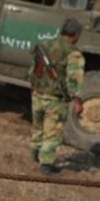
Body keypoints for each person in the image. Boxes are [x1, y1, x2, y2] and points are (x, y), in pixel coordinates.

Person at [29, 18, 86, 174]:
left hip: (38, 94)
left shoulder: (44, 45)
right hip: (55, 99)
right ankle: (46, 165)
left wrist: (35, 88)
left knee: (38, 125)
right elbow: (74, 80)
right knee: (53, 132)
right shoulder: (74, 53)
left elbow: (33, 71)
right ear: (75, 35)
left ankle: (35, 153)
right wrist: (76, 99)